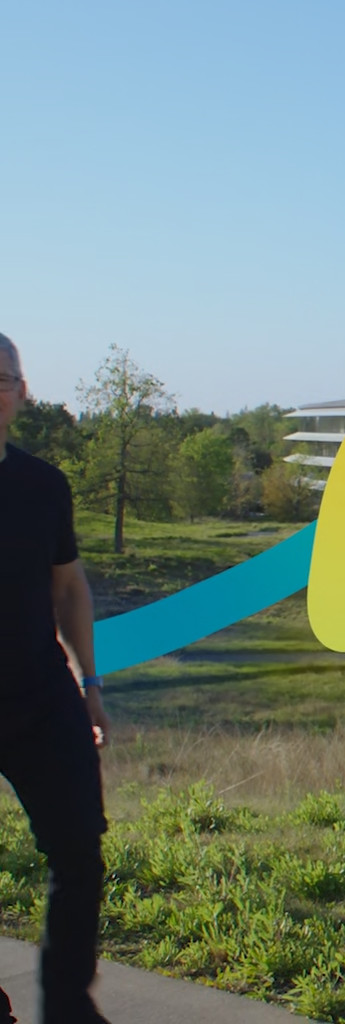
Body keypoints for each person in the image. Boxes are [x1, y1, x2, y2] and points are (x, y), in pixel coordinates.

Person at [0, 333, 112, 1024]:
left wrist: (90, 683)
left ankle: (67, 1009)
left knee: (79, 852)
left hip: (41, 694)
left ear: (20, 392)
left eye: (2, 377)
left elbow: (68, 587)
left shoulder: (44, 485)